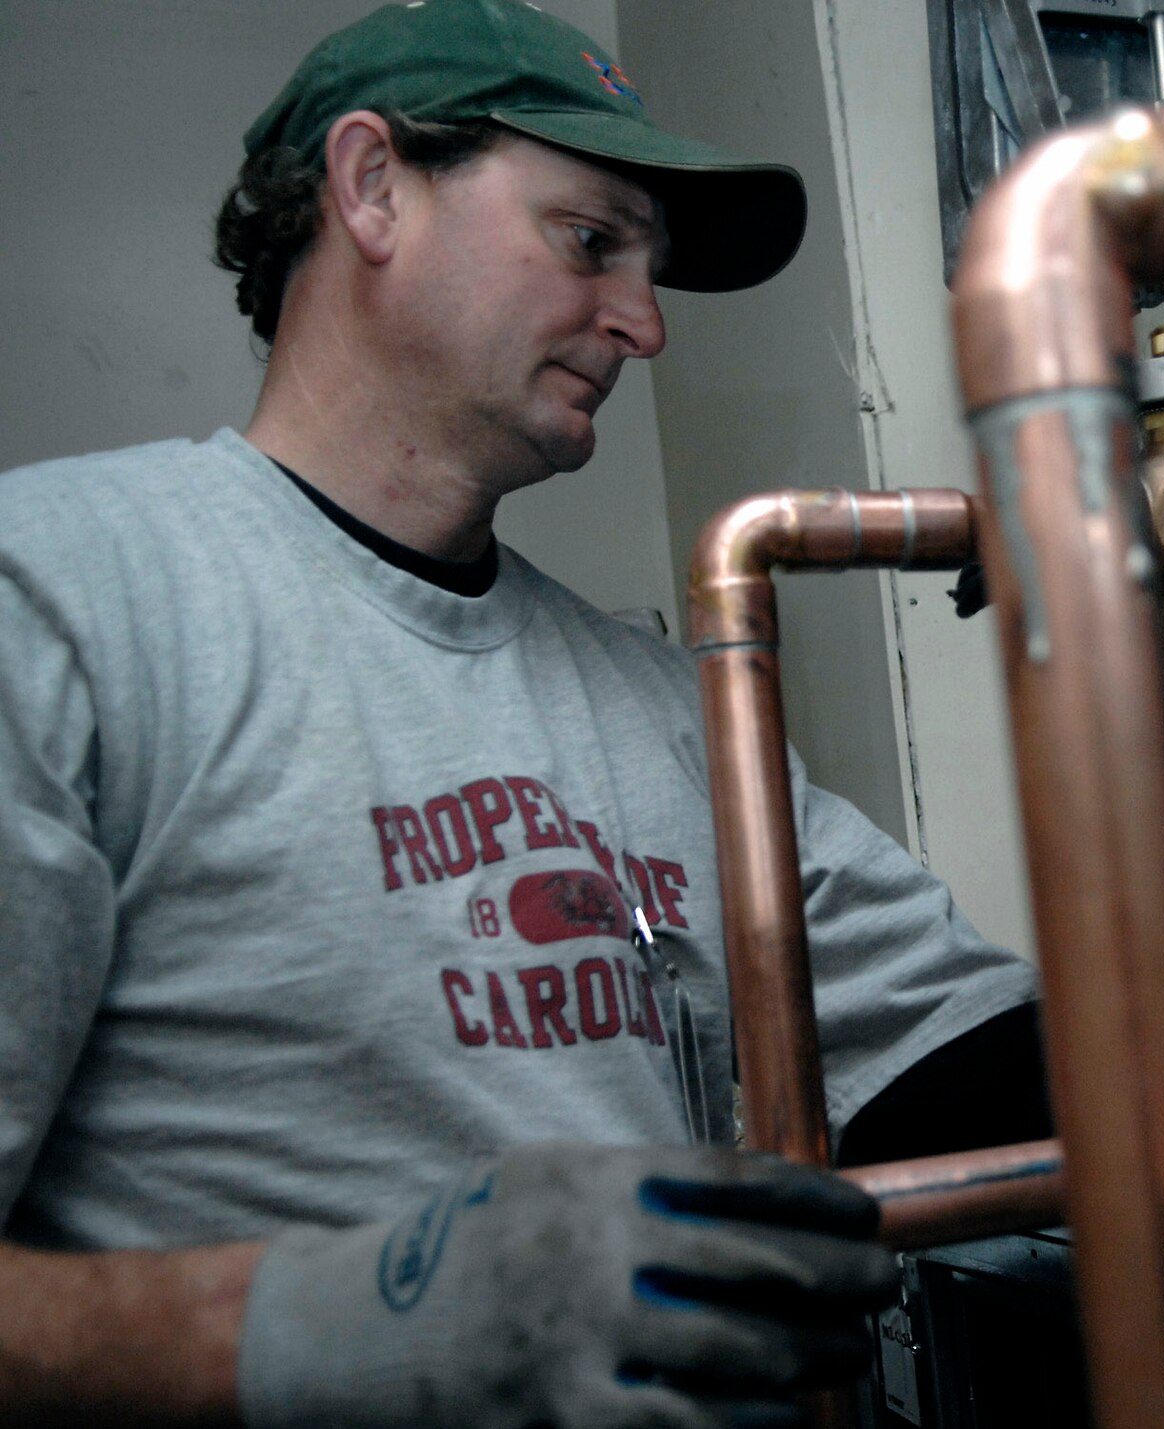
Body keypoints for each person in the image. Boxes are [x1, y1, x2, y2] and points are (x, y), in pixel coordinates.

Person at [0, 2, 1043, 1424]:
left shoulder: (655, 700)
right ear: (372, 186)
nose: (646, 323)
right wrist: (337, 1318)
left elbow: (972, 1068)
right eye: (591, 240)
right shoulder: (62, 594)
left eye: (650, 268)